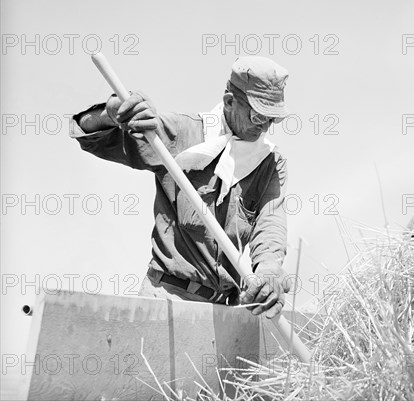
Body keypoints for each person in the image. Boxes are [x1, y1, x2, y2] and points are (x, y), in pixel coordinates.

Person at [70, 56, 290, 319]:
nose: (264, 126)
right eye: (257, 115)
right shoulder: (180, 134)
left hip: (225, 311)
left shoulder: (269, 162)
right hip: (166, 299)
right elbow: (92, 135)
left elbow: (271, 222)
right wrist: (110, 115)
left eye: (272, 119)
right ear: (230, 101)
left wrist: (268, 269)